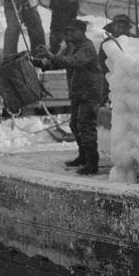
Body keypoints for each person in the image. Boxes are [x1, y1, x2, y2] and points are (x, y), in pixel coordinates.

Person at [47, 18, 104, 175]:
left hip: (90, 92)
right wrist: (41, 61)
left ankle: (92, 162)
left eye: (73, 31)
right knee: (74, 125)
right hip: (78, 91)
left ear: (82, 32)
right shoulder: (71, 46)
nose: (69, 34)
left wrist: (52, 57)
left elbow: (73, 61)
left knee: (86, 126)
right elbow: (58, 62)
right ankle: (83, 155)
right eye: (68, 31)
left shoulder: (87, 47)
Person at [98, 13, 134, 106]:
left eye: (124, 27)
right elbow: (102, 62)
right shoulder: (107, 43)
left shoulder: (133, 41)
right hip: (110, 77)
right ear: (113, 27)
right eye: (119, 27)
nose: (121, 30)